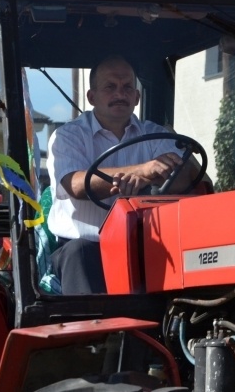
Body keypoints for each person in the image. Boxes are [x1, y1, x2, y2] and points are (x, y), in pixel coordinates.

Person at [46, 55, 198, 294]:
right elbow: (75, 184)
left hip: (145, 245)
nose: (120, 94)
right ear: (91, 96)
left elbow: (182, 176)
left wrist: (143, 181)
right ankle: (92, 330)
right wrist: (144, 170)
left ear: (137, 97)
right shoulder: (68, 136)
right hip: (86, 249)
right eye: (110, 87)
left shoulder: (157, 135)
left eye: (128, 87)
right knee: (79, 253)